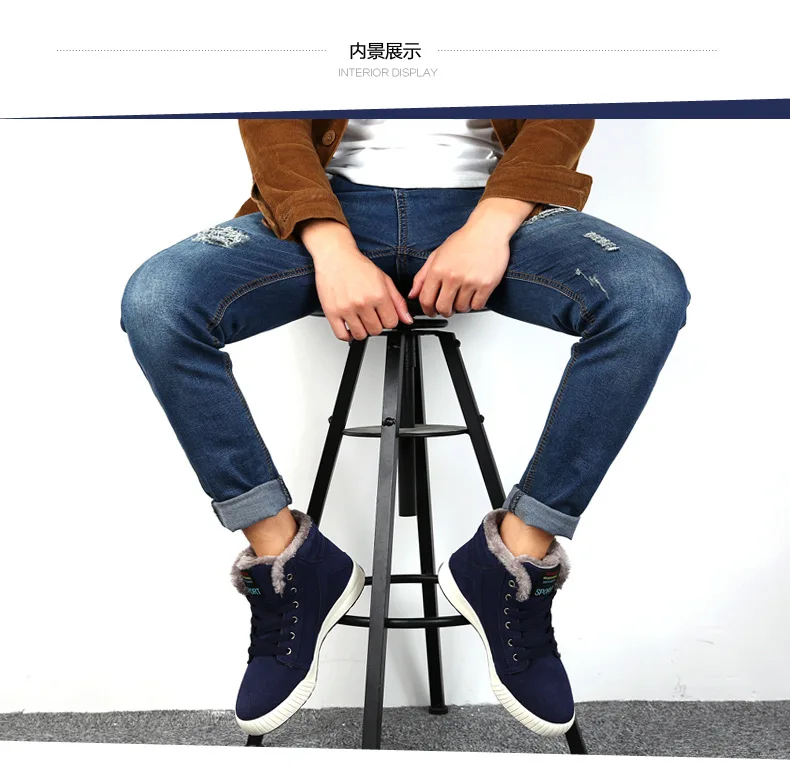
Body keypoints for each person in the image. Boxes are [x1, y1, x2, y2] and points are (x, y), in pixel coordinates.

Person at [120, 118, 690, 738]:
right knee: (159, 302)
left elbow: (562, 106)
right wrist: (331, 246)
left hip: (492, 208)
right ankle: (285, 561)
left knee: (646, 293)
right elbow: (271, 111)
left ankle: (515, 559)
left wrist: (490, 224)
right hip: (323, 209)